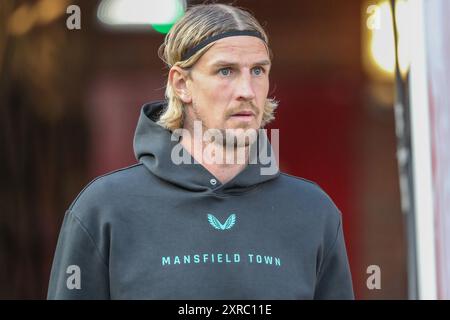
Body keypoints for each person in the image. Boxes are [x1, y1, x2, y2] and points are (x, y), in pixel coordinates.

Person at [47, 3, 354, 299]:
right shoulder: (104, 210)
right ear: (182, 84)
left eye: (258, 71)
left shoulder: (314, 212)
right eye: (225, 71)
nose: (247, 90)